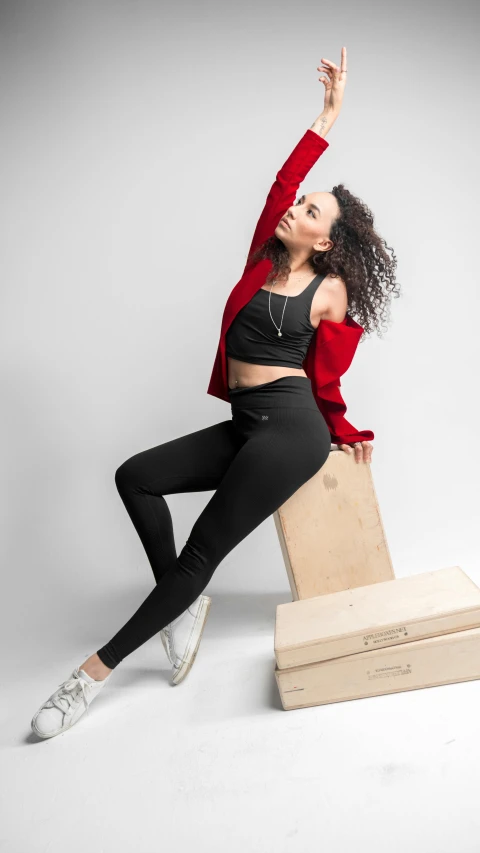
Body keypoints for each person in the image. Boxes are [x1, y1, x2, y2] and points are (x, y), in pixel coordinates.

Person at [31, 47, 400, 738]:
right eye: (300, 202)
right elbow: (278, 183)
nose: (296, 206)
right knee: (136, 477)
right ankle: (181, 606)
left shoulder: (332, 290)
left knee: (202, 552)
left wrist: (343, 428)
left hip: (291, 431)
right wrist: (327, 115)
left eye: (310, 208)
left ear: (327, 239)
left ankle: (87, 678)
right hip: (247, 420)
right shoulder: (264, 258)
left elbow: (328, 375)